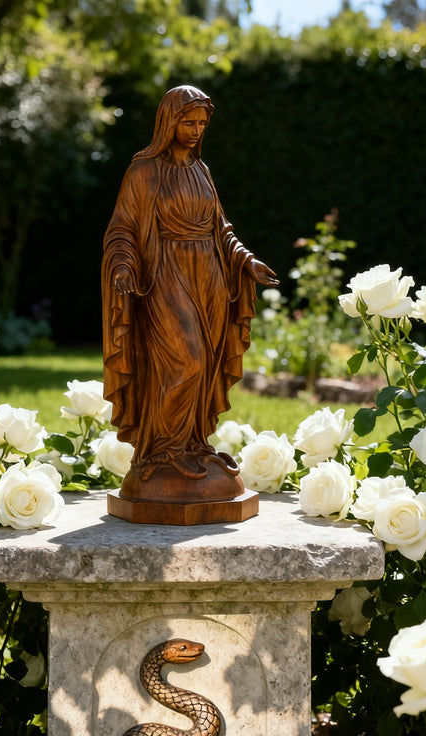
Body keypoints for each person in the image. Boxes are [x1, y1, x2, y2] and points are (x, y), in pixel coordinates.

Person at [102, 85, 278, 505]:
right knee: (187, 359)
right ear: (169, 122)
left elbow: (222, 230)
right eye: (189, 122)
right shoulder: (143, 172)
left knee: (207, 362)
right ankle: (160, 453)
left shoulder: (202, 171)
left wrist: (246, 261)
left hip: (211, 277)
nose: (197, 130)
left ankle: (192, 444)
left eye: (202, 123)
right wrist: (124, 265)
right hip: (166, 274)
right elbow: (122, 228)